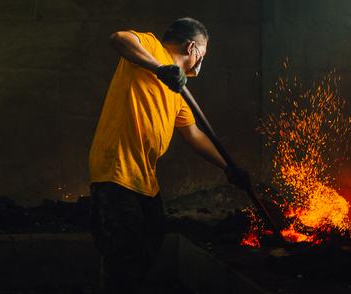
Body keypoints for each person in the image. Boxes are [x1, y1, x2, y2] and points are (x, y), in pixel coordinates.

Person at [88, 17, 250, 294]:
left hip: (144, 179)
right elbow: (119, 38)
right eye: (203, 53)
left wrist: (229, 168)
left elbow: (195, 135)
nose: (202, 61)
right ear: (191, 48)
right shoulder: (152, 48)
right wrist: (159, 68)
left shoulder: (178, 91)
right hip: (116, 170)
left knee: (151, 241)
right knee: (123, 251)